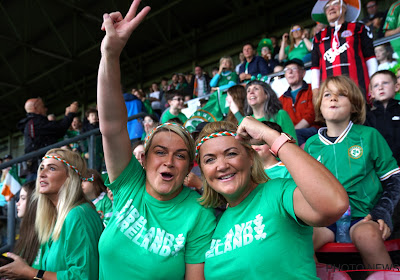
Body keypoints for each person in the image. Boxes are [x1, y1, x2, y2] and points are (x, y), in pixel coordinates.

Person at [97, 2, 216, 278]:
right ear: (144, 158)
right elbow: (112, 126)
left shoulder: (198, 215)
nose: (170, 162)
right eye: (160, 152)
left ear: (190, 167)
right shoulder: (129, 185)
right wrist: (110, 54)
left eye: (181, 155)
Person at [195, 118, 348, 279]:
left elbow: (334, 204)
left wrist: (271, 136)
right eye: (210, 159)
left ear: (251, 158)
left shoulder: (277, 192)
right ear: (203, 172)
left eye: (231, 153)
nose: (222, 165)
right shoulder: (215, 224)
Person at [305, 76, 400, 270]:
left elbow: (394, 180)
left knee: (367, 236)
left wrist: (382, 212)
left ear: (354, 106)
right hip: (325, 222)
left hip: (363, 216)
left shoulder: (369, 136)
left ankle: (384, 274)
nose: (333, 99)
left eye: (341, 95)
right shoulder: (310, 145)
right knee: (297, 241)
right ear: (319, 107)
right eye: (327, 95)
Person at [0, 148, 104, 279]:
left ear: (69, 177)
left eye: (52, 168)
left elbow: (84, 276)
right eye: (41, 168)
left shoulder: (79, 214)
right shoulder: (53, 218)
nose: (42, 174)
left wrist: (29, 273)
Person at [311, 0, 378, 101]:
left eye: (335, 4)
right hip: (330, 96)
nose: (331, 8)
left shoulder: (359, 28)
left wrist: (375, 83)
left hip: (359, 90)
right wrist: (315, 91)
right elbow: (315, 67)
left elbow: (370, 58)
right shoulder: (318, 37)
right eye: (327, 7)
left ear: (345, 8)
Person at [17, 98, 79, 180]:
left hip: (39, 167)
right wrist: (71, 113)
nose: (46, 109)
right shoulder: (36, 122)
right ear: (36, 108)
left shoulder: (32, 123)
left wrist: (67, 116)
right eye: (43, 106)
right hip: (39, 169)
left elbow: (55, 131)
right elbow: (59, 129)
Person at [233, 80, 298, 143]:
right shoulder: (244, 121)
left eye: (256, 89)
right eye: (248, 91)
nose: (251, 92)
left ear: (266, 95)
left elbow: (293, 143)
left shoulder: (281, 114)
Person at [279, 59, 318, 146]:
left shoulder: (312, 90)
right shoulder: (281, 99)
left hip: (314, 130)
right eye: (287, 69)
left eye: (294, 68)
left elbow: (311, 115)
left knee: (295, 135)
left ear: (303, 73)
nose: (290, 71)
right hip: (292, 133)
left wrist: (291, 133)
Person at [365, 70, 400, 165]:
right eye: (376, 85)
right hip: (380, 168)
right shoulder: (367, 117)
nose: (380, 87)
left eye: (385, 83)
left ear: (396, 87)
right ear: (371, 93)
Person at [13, 181, 39, 266]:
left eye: (23, 198)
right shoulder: (26, 229)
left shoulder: (42, 233)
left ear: (34, 202)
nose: (17, 203)